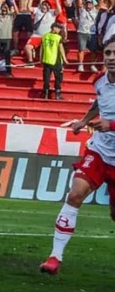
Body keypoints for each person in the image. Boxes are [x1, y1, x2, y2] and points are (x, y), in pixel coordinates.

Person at [40, 38, 115, 275]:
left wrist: (110, 125)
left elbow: (107, 118)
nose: (111, 57)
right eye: (108, 52)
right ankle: (55, 257)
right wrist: (84, 120)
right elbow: (99, 102)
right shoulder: (99, 81)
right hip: (99, 152)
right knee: (75, 195)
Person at [41, 24, 67, 100]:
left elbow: (42, 48)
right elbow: (61, 49)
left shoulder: (45, 36)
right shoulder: (58, 37)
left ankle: (45, 93)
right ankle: (57, 94)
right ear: (54, 28)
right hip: (56, 60)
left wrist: (40, 58)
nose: (59, 30)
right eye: (58, 28)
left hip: (46, 59)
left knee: (46, 78)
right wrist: (65, 59)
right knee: (58, 77)